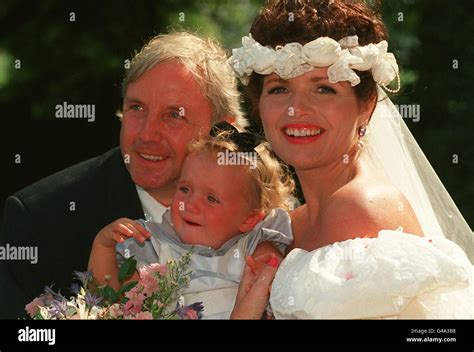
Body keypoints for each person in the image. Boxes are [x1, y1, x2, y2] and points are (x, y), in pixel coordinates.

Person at [229, 0, 474, 319]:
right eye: (279, 90)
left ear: (367, 106)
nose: (296, 109)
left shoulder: (357, 208)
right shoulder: (292, 223)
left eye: (324, 90)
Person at [0, 31, 247, 319]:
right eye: (137, 108)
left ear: (223, 131)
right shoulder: (40, 219)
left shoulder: (260, 211)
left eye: (173, 115)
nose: (147, 134)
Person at [88, 122, 294, 319]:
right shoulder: (154, 245)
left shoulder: (250, 247)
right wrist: (102, 246)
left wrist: (266, 264)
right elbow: (110, 298)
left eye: (211, 198)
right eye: (185, 189)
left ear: (249, 219)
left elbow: (273, 273)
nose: (190, 204)